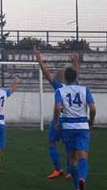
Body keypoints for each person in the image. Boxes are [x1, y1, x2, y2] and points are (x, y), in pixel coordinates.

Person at [34, 48, 79, 179]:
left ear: (60, 78)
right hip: (70, 120)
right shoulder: (76, 85)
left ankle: (58, 169)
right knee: (70, 148)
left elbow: (46, 74)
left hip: (59, 119)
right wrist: (76, 61)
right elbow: (77, 74)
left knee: (52, 143)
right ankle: (70, 171)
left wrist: (39, 59)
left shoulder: (59, 87)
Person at [54, 68, 96, 190]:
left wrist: (56, 121)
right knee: (83, 157)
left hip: (68, 126)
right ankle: (82, 179)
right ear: (76, 77)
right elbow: (93, 108)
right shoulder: (84, 90)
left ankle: (77, 187)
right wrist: (91, 120)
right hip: (83, 125)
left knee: (72, 158)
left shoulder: (60, 90)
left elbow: (58, 107)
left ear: (65, 78)